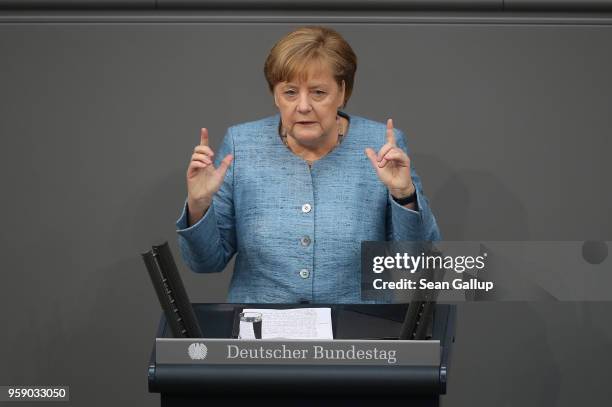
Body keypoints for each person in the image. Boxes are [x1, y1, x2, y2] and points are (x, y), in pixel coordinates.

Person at [176, 26, 440, 303]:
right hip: (260, 337)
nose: (303, 106)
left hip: (359, 336)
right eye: (290, 92)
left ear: (342, 92)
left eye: (317, 92)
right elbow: (205, 263)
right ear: (275, 95)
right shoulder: (241, 144)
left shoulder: (382, 145)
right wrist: (199, 205)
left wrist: (404, 196)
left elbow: (417, 266)